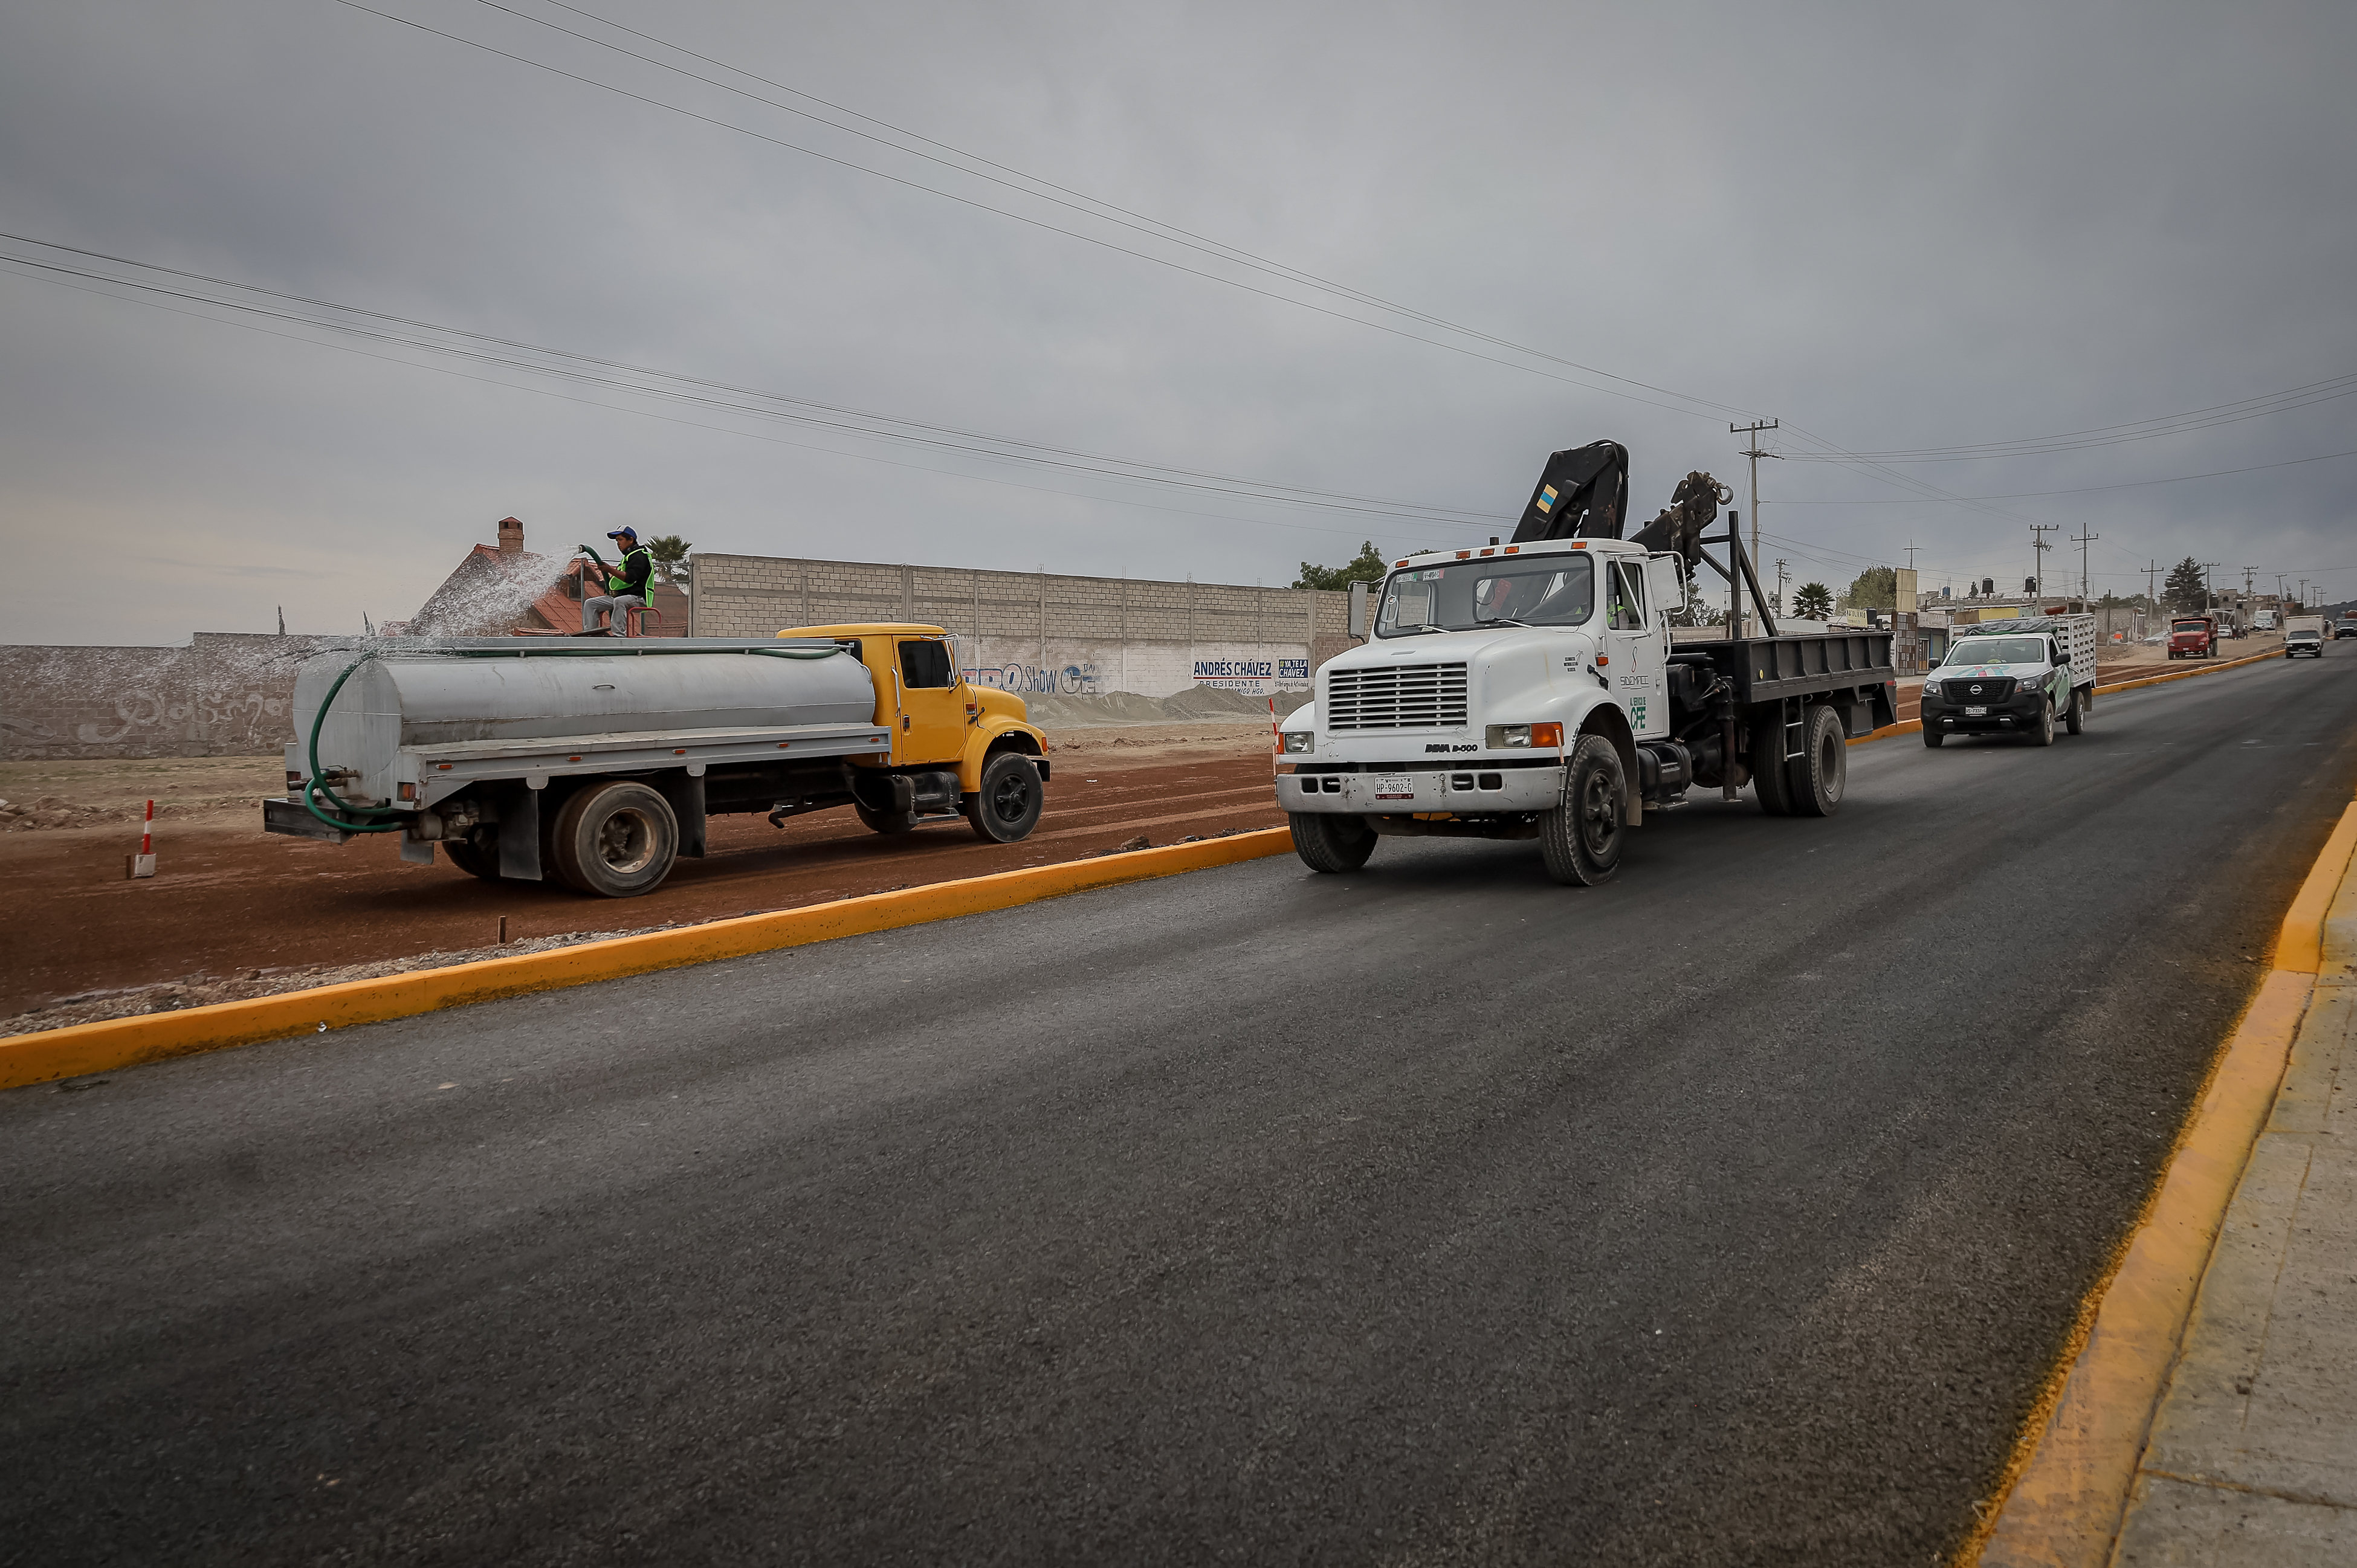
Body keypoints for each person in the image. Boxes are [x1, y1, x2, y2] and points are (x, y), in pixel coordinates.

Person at [581, 527, 653, 636]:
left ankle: (619, 635)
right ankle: (590, 634)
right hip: (622, 597)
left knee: (619, 601)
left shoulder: (640, 556)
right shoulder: (628, 557)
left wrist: (610, 569)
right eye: (617, 541)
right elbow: (620, 580)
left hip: (639, 598)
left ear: (631, 540)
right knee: (590, 603)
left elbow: (630, 578)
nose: (618, 543)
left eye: (620, 540)